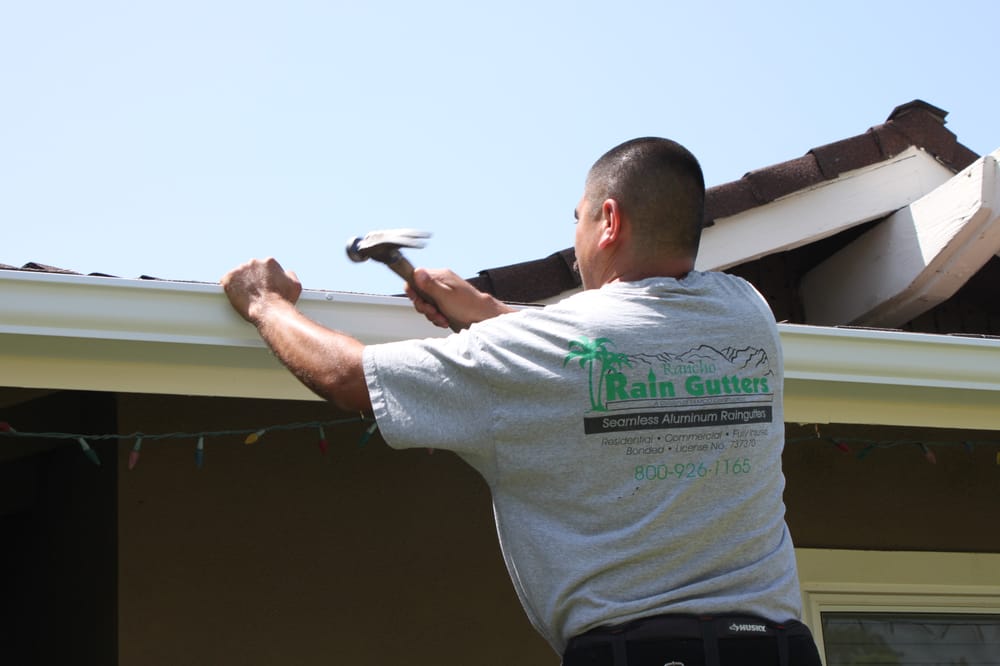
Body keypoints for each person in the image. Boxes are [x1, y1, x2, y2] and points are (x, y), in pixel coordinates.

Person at [221, 137, 822, 666]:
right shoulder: (748, 313)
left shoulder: (529, 351)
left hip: (640, 653)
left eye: (579, 220)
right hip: (780, 646)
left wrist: (264, 304)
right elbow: (611, 343)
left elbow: (351, 379)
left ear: (608, 221)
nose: (578, 236)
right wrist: (488, 315)